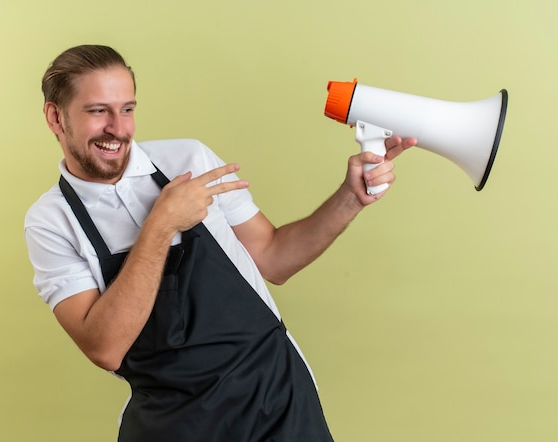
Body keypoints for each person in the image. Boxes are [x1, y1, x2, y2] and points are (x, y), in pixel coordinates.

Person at [25, 44, 415, 442]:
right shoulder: (52, 221)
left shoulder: (188, 159)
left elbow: (274, 257)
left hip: (276, 404)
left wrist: (351, 197)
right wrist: (160, 224)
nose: (118, 128)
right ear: (56, 117)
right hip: (172, 425)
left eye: (127, 109)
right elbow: (104, 347)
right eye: (97, 111)